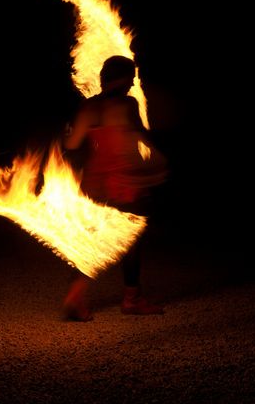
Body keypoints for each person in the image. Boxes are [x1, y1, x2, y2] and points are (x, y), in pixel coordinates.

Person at [61, 55, 168, 321]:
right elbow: (140, 137)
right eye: (130, 80)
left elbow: (72, 145)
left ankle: (75, 295)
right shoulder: (127, 104)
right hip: (124, 182)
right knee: (130, 240)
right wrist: (159, 162)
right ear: (121, 80)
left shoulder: (87, 108)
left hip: (95, 183)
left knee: (95, 239)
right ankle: (132, 299)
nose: (132, 85)